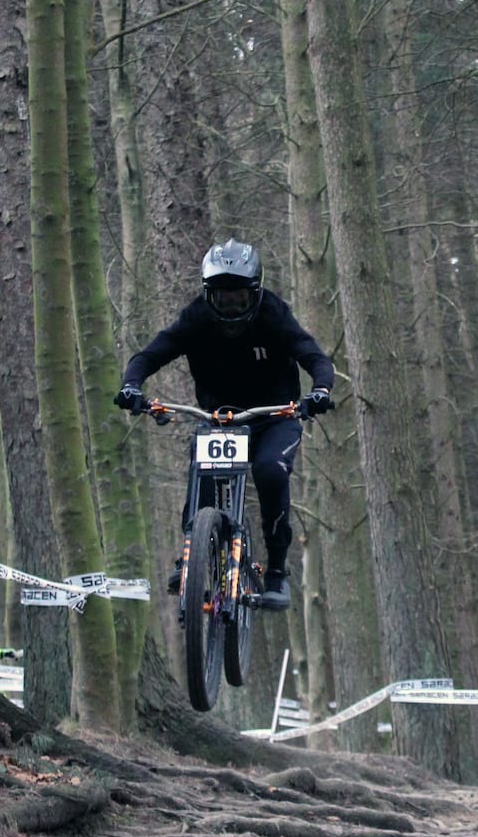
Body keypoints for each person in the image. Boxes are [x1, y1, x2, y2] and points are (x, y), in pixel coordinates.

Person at [114, 239, 335, 611]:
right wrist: (131, 386)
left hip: (274, 416)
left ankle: (277, 573)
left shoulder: (273, 315)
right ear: (207, 295)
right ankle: (192, 556)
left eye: (239, 298)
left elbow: (313, 356)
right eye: (221, 298)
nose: (230, 306)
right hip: (220, 417)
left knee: (270, 471)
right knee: (202, 467)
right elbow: (152, 353)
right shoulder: (196, 317)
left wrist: (321, 391)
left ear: (255, 293)